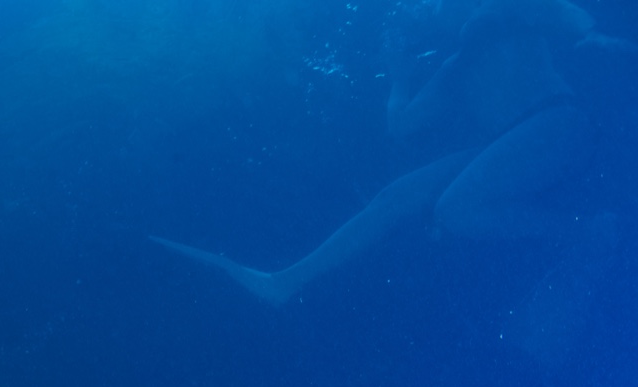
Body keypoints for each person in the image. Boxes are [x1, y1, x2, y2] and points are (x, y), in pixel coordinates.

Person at [151, 0, 628, 308]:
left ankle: (587, 232)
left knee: (457, 209)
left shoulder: (502, 13)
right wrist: (399, 76)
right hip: (509, 143)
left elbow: (558, 11)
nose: (423, 10)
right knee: (395, 196)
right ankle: (285, 281)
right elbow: (401, 126)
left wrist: (591, 33)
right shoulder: (453, 66)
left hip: (560, 121)